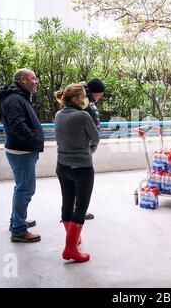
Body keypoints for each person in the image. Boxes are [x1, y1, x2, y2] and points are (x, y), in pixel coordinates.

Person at [54, 83, 100, 262]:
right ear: (74, 99)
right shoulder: (83, 116)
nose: (84, 99)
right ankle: (70, 249)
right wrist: (85, 140)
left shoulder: (59, 115)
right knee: (80, 207)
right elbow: (95, 137)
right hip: (82, 168)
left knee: (67, 203)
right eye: (82, 96)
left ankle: (73, 239)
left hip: (62, 166)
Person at [0, 68, 43, 242]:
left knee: (22, 188)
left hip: (23, 150)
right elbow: (18, 126)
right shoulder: (14, 99)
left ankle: (17, 221)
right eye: (34, 78)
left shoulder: (20, 97)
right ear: (23, 80)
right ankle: (18, 230)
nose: (36, 81)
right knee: (25, 189)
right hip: (22, 151)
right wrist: (33, 140)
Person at [79, 77, 105, 220]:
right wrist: (93, 142)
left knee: (78, 181)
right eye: (100, 94)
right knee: (83, 182)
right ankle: (79, 212)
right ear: (94, 92)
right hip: (83, 149)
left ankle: (76, 209)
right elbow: (89, 126)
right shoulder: (85, 103)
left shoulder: (84, 100)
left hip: (81, 147)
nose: (100, 98)